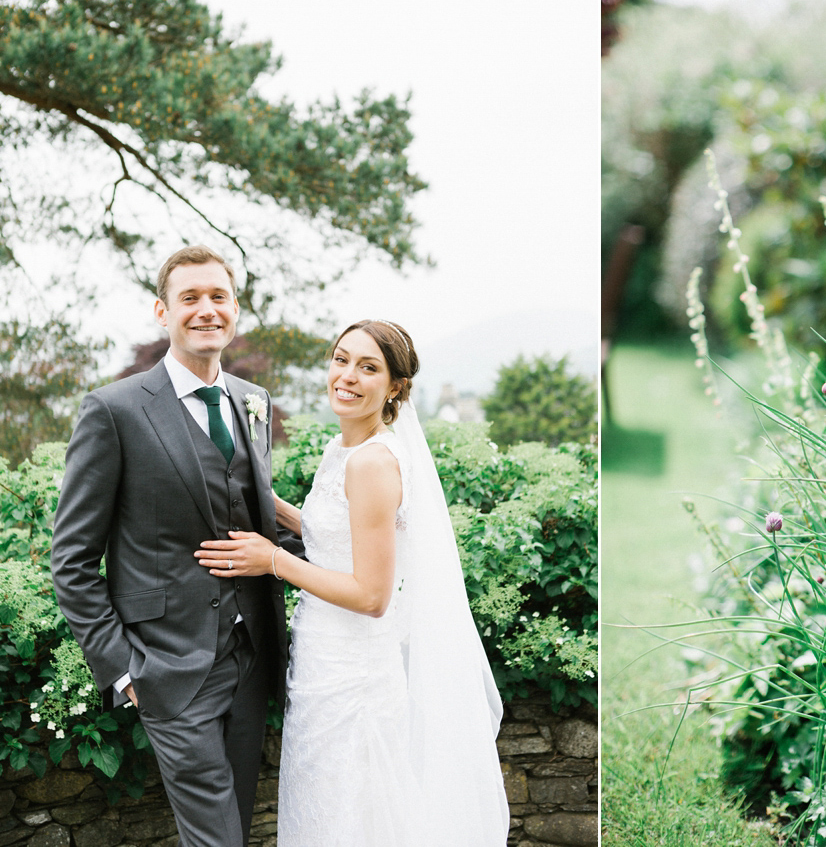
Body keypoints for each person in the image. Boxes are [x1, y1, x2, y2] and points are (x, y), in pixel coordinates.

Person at [194, 319, 510, 846]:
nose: (347, 375)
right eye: (341, 359)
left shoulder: (372, 463)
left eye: (368, 367)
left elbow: (371, 596)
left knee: (352, 810)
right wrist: (267, 507)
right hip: (322, 661)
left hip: (353, 672)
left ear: (395, 389)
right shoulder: (343, 450)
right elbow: (341, 530)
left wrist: (273, 559)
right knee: (326, 804)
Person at [51, 246, 297, 847]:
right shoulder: (114, 410)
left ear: (235, 310)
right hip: (167, 666)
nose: (206, 309)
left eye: (219, 297)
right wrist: (123, 668)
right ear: (162, 311)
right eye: (190, 298)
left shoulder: (252, 402)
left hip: (251, 660)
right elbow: (72, 560)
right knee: (215, 837)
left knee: (235, 826)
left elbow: (259, 519)